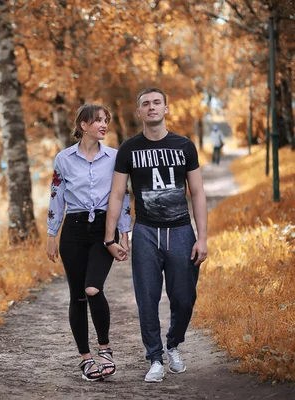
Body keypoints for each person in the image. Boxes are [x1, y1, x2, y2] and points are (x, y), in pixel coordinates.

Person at [103, 88, 208, 383]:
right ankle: (155, 358)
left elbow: (198, 193)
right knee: (146, 299)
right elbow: (116, 195)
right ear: (139, 113)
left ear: (165, 108)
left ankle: (173, 344)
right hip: (146, 232)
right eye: (145, 104)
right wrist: (110, 237)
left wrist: (202, 237)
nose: (151, 108)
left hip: (181, 232)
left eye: (156, 103)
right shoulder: (128, 149)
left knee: (184, 298)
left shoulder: (184, 146)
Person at [46, 103, 132, 382]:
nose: (103, 125)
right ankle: (86, 358)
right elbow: (56, 197)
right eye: (97, 120)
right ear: (83, 125)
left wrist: (124, 232)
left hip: (103, 232)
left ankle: (105, 350)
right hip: (73, 230)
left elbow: (123, 196)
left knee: (93, 288)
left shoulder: (115, 157)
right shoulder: (64, 159)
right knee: (78, 295)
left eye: (106, 120)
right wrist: (51, 235)